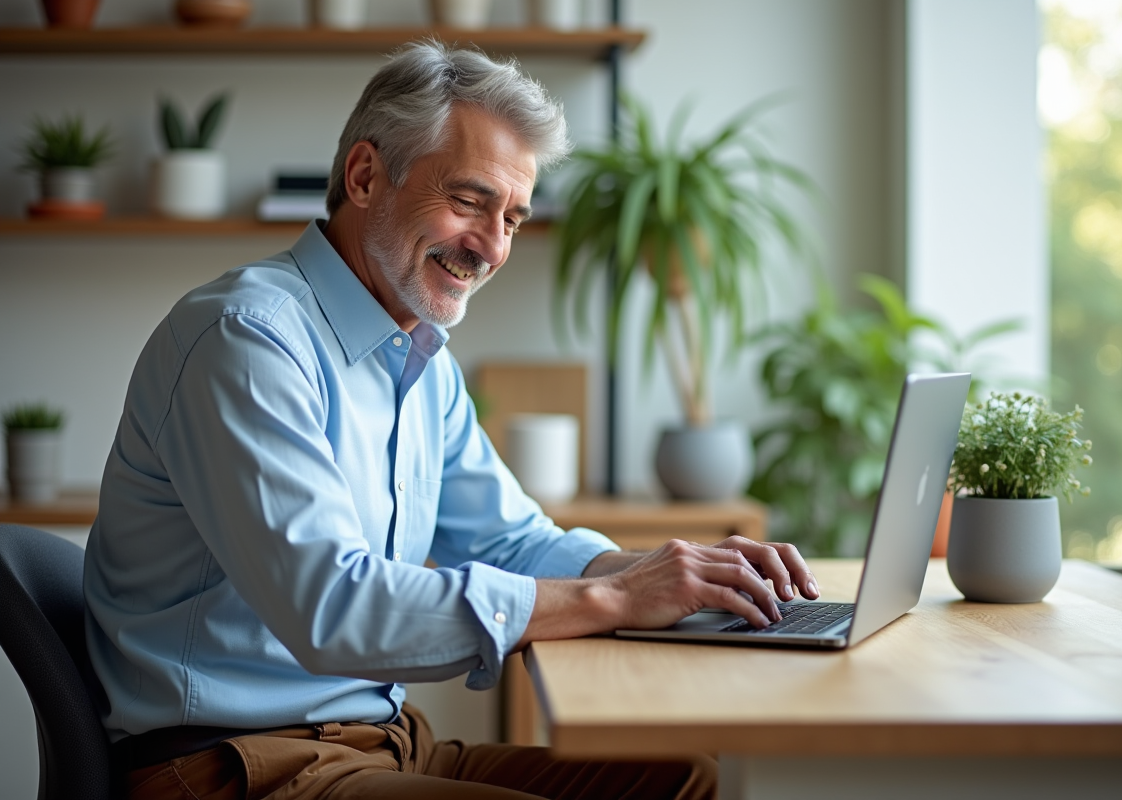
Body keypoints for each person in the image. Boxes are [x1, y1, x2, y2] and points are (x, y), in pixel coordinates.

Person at [83, 40, 821, 800]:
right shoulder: (246, 339)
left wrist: (668, 572)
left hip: (385, 744)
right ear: (365, 176)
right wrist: (617, 600)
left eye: (513, 216)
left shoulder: (419, 356)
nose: (493, 246)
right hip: (234, 765)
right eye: (469, 201)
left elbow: (510, 539)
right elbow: (333, 609)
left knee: (685, 782)